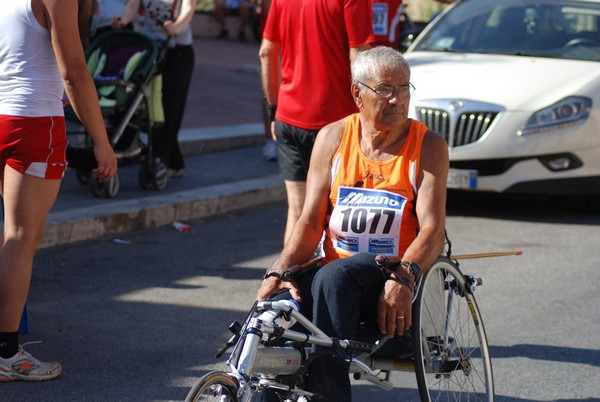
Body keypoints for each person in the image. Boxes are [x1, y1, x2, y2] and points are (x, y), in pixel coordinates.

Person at [256, 46, 449, 401]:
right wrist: (279, 270)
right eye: (386, 89)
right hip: (336, 280)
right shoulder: (332, 137)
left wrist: (404, 277)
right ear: (357, 93)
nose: (398, 100)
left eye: (405, 88)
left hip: (388, 276)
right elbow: (311, 219)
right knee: (277, 308)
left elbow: (433, 230)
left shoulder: (428, 145)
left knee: (335, 275)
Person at [0, 0, 117, 381]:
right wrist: (101, 141)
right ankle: (6, 353)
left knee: (9, 236)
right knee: (20, 238)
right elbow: (75, 71)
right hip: (33, 119)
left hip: (3, 112)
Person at [259, 0, 375, 246]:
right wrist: (368, 114)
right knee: (343, 210)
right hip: (336, 120)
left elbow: (266, 52)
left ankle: (286, 279)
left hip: (288, 115)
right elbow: (360, 55)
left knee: (298, 210)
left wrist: (272, 109)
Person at [113, 0, 198, 178]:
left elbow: (189, 9)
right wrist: (123, 20)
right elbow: (132, 5)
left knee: (170, 106)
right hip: (151, 51)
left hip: (178, 52)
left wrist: (177, 26)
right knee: (147, 104)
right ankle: (171, 160)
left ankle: (162, 158)